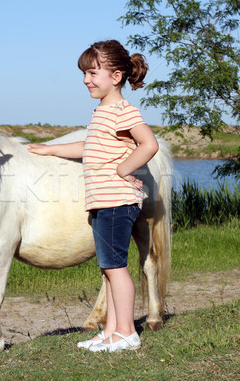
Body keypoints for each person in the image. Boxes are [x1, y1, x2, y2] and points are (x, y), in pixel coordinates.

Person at [28, 40, 159, 352]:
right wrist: (49, 150)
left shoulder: (123, 111)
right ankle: (111, 330)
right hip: (102, 202)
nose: (86, 79)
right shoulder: (102, 112)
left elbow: (149, 144)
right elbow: (86, 148)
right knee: (108, 268)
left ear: (115, 77)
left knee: (116, 268)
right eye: (84, 74)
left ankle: (126, 333)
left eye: (92, 73)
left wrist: (124, 170)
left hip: (116, 200)